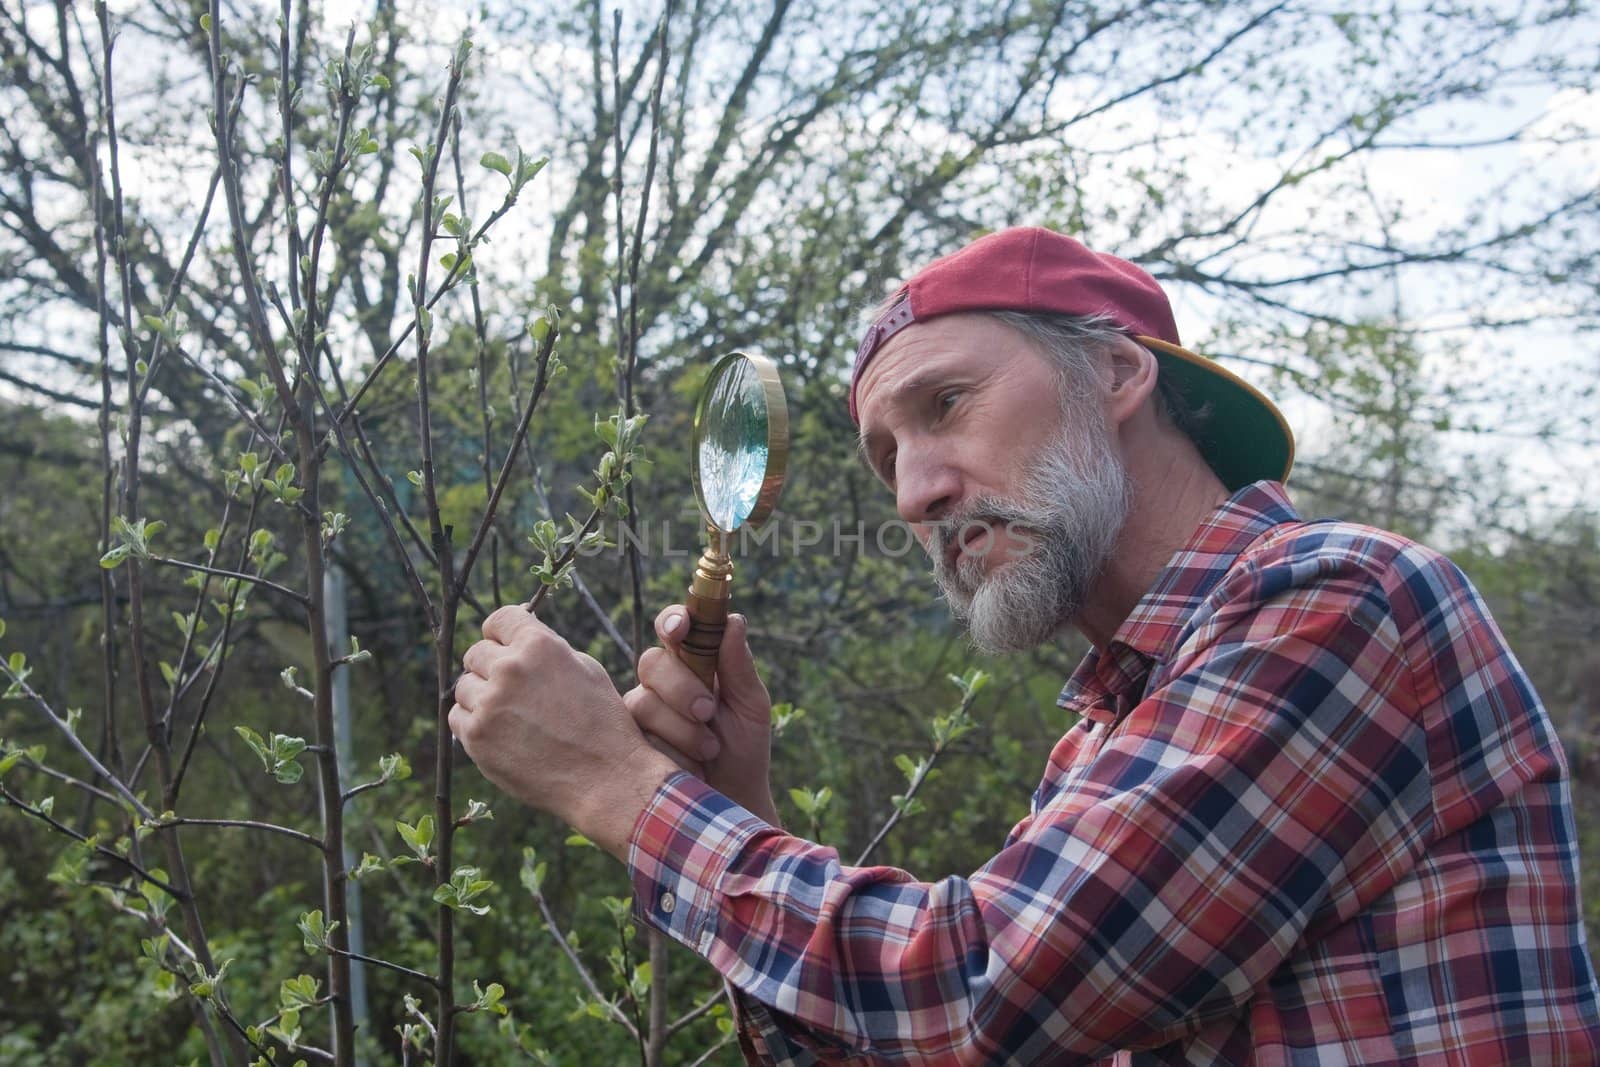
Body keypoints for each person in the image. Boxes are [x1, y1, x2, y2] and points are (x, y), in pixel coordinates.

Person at [449, 227, 1600, 1064]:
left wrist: (619, 785)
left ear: (1117, 373)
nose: (913, 493)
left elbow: (983, 990)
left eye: (944, 406)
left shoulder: (1341, 600)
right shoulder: (1103, 736)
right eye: (882, 453)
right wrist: (732, 809)